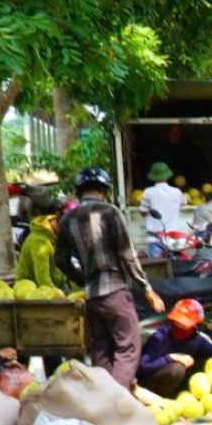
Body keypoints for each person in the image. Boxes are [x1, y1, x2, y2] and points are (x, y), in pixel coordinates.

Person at [54, 166, 164, 388]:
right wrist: (147, 288)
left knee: (101, 350)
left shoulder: (68, 218)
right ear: (103, 191)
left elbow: (61, 260)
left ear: (79, 191)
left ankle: (100, 398)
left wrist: (82, 279)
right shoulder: (110, 212)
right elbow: (127, 254)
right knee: (128, 347)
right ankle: (114, 399)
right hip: (114, 291)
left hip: (92, 295)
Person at [136, 298, 212, 396]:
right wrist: (170, 358)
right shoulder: (159, 337)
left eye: (185, 324)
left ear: (195, 325)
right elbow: (143, 367)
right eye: (177, 322)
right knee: (177, 369)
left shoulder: (199, 340)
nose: (180, 326)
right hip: (150, 384)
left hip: (182, 389)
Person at [139, 161, 188, 250]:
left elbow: (143, 213)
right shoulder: (177, 192)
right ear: (168, 176)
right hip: (172, 238)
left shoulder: (148, 192)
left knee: (157, 264)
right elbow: (184, 202)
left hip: (154, 238)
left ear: (153, 177)